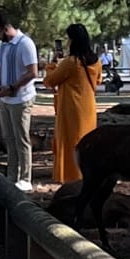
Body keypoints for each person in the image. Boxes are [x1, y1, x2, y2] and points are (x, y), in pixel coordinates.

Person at [42, 22, 101, 183]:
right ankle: (86, 173)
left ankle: (71, 175)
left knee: (70, 142)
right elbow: (98, 81)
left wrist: (51, 66)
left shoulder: (71, 62)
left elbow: (50, 81)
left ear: (73, 41)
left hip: (71, 108)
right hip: (88, 107)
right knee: (87, 142)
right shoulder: (95, 61)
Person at [0, 9, 38, 188]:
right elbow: (1, 67)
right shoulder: (3, 46)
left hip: (22, 99)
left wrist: (12, 87)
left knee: (21, 139)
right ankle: (12, 175)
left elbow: (32, 72)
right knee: (9, 138)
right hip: (5, 100)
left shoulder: (25, 44)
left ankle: (26, 178)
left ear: (5, 28)